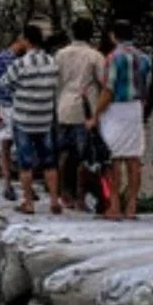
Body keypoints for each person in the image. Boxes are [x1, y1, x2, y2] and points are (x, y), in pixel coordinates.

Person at [86, 20, 153, 220]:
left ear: (113, 35)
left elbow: (109, 90)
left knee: (113, 158)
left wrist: (96, 114)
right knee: (134, 158)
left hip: (116, 110)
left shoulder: (113, 58)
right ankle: (132, 206)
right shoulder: (145, 59)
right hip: (135, 108)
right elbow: (147, 89)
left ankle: (114, 205)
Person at [0, 24, 63, 215]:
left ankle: (28, 202)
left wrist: (21, 91)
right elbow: (56, 84)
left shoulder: (20, 64)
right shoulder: (51, 61)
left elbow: (4, 83)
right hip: (44, 118)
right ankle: (54, 200)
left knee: (25, 164)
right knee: (49, 162)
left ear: (27, 40)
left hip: (24, 119)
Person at [54, 18, 105, 207]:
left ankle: (62, 193)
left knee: (64, 152)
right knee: (84, 155)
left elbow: (55, 81)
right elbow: (103, 82)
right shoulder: (95, 56)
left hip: (63, 108)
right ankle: (80, 198)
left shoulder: (60, 54)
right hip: (85, 110)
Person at [0, 34, 28, 201]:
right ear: (19, 40)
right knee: (6, 146)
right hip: (6, 106)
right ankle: (7, 184)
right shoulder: (1, 59)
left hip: (20, 105)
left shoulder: (23, 59)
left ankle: (24, 185)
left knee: (21, 146)